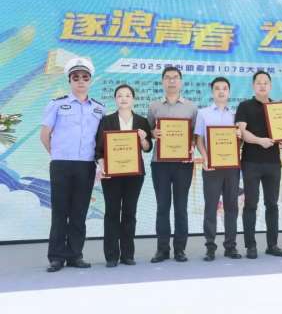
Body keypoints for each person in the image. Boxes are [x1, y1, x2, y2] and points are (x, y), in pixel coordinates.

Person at [40, 57, 105, 272]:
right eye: (76, 77)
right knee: (60, 211)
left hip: (86, 166)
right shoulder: (57, 104)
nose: (80, 81)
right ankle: (56, 257)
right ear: (69, 80)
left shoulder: (99, 108)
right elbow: (45, 135)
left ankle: (75, 254)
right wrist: (57, 155)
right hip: (61, 165)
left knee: (79, 211)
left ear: (90, 81)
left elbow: (101, 140)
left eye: (85, 77)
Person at [95, 84, 152, 267]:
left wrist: (142, 138)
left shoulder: (142, 121)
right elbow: (98, 149)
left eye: (127, 95)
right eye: (120, 95)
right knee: (112, 212)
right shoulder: (106, 121)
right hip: (111, 174)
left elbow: (148, 148)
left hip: (134, 174)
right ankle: (111, 256)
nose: (124, 98)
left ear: (133, 99)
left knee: (129, 213)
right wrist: (103, 166)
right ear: (115, 99)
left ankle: (128, 254)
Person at [147, 66, 198, 263]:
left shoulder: (191, 108)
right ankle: (162, 249)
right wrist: (153, 133)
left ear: (181, 81)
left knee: (181, 207)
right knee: (162, 207)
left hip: (183, 163)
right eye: (167, 78)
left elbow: (195, 135)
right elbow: (149, 131)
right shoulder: (154, 107)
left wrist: (192, 145)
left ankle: (180, 249)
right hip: (159, 164)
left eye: (175, 77)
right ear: (162, 81)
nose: (171, 81)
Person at [235, 70, 282, 259]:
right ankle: (250, 245)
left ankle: (272, 245)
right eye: (259, 82)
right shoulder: (245, 106)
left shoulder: (277, 108)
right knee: (251, 204)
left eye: (266, 82)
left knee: (272, 204)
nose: (262, 85)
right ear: (253, 86)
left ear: (270, 86)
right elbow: (242, 132)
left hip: (273, 163)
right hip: (251, 162)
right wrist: (259, 141)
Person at [194, 77, 242, 261]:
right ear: (212, 92)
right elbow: (199, 139)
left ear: (229, 92)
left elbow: (239, 142)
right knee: (211, 207)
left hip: (231, 168)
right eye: (217, 88)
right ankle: (210, 247)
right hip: (211, 167)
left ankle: (230, 247)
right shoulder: (203, 113)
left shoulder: (236, 115)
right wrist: (205, 158)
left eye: (224, 88)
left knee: (231, 207)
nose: (221, 91)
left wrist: (239, 135)